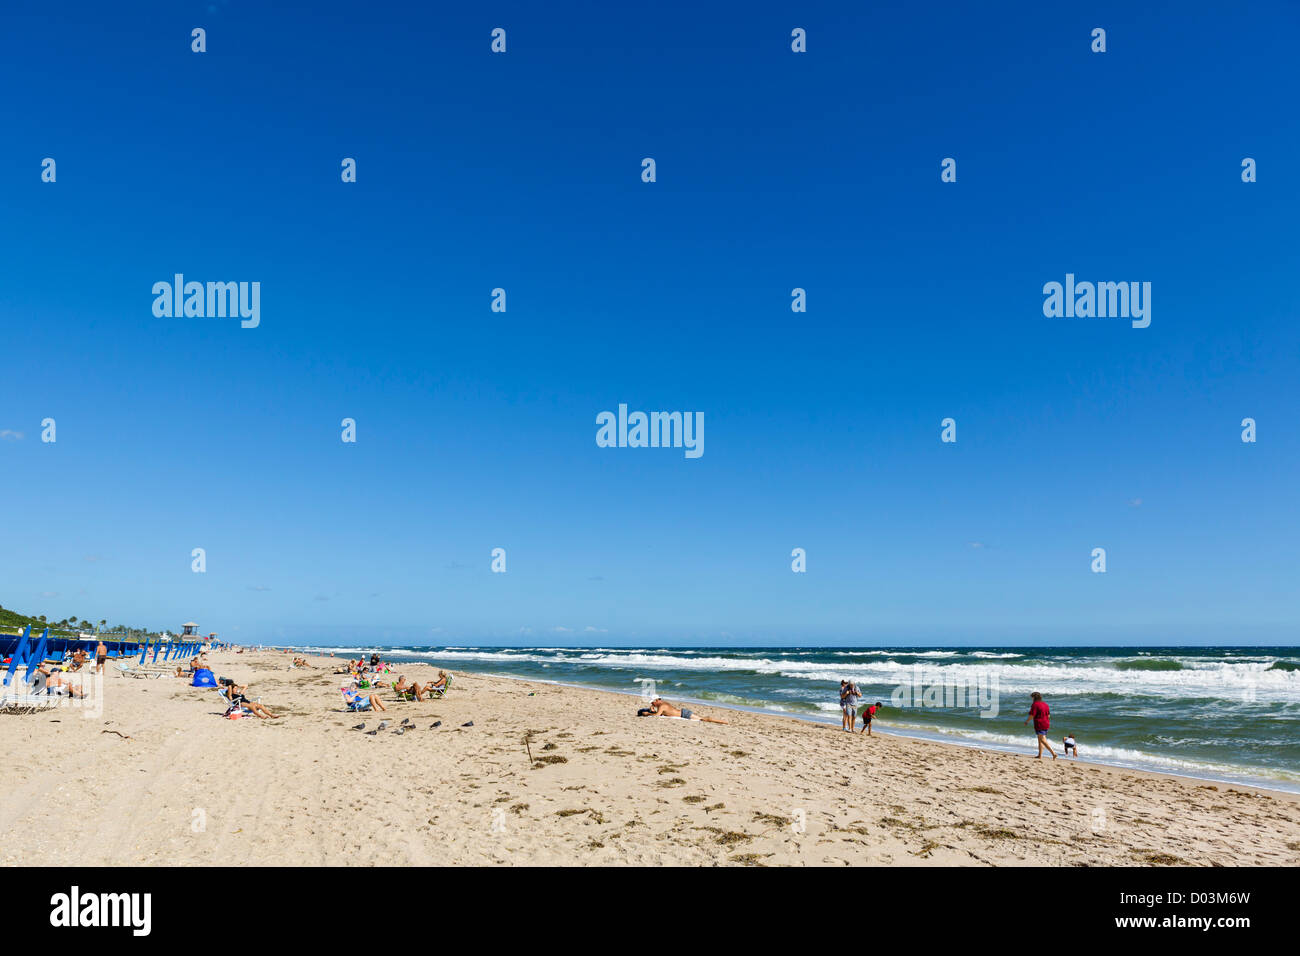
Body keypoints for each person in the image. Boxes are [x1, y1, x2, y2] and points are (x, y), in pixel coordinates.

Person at [641, 697, 728, 724]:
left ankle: (724, 722)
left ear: (656, 700)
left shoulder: (662, 705)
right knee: (702, 719)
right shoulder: (663, 704)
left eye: (652, 703)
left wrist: (648, 713)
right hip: (683, 713)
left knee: (703, 719)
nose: (652, 705)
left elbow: (657, 715)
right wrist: (653, 710)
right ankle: (724, 722)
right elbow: (661, 713)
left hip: (684, 714)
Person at [1024, 692, 1057, 759]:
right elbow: (1048, 715)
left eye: (1032, 697)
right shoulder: (1045, 704)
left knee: (1042, 740)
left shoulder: (1035, 705)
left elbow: (1032, 715)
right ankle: (1040, 755)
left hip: (1039, 724)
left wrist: (1027, 721)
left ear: (1034, 698)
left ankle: (1053, 753)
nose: (1031, 699)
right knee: (1040, 739)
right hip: (1046, 723)